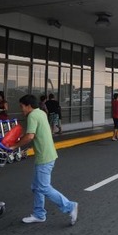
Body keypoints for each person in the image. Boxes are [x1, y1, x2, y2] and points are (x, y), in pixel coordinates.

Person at [10, 94, 78, 225]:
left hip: (44, 157)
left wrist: (14, 146)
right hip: (46, 155)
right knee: (36, 187)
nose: (21, 109)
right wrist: (20, 144)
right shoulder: (40, 113)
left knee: (43, 187)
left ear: (28, 106)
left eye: (22, 106)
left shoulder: (32, 115)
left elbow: (30, 136)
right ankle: (39, 214)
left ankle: (70, 206)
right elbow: (34, 135)